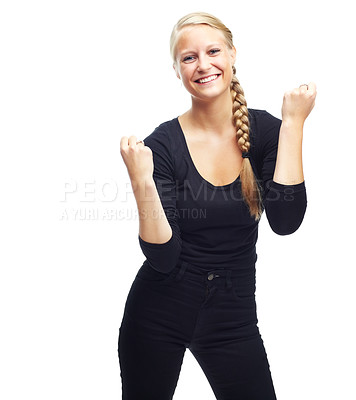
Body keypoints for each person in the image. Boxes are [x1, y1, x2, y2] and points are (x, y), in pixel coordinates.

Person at [118, 11, 316, 400]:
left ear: (232, 55)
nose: (203, 64)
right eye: (189, 58)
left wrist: (293, 126)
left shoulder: (266, 132)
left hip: (233, 317)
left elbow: (286, 220)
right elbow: (163, 256)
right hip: (157, 314)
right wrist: (141, 181)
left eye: (212, 51)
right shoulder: (162, 145)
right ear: (177, 70)